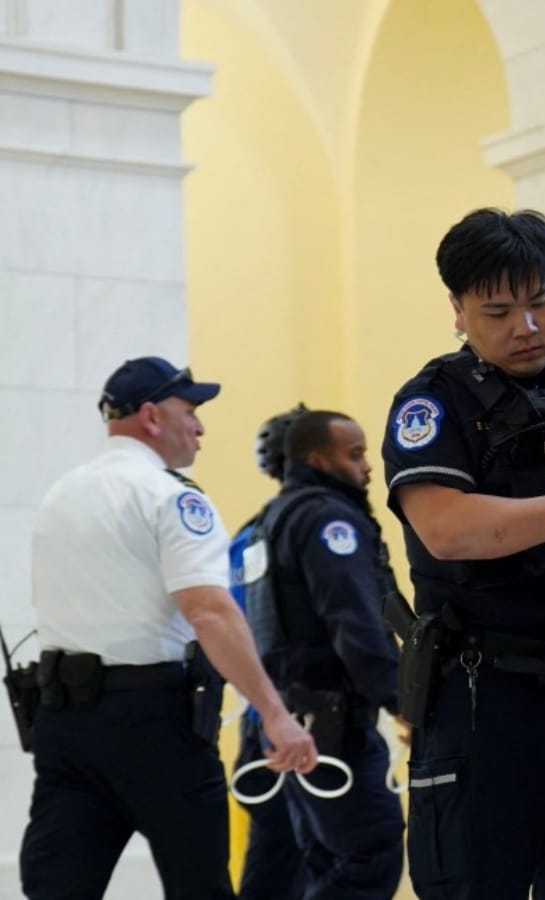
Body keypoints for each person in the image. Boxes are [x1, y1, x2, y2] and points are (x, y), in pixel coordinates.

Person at [382, 208, 545, 899]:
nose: (525, 327)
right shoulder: (432, 404)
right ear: (459, 311)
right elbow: (449, 527)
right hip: (491, 700)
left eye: (541, 302)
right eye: (498, 311)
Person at [20, 356, 316, 898]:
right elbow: (210, 611)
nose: (200, 427)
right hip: (155, 723)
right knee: (198, 886)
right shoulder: (170, 496)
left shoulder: (61, 494)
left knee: (57, 887)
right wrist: (274, 714)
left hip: (63, 723)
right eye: (192, 410)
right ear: (152, 416)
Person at [245, 409, 404, 898]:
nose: (368, 466)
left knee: (312, 860)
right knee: (368, 855)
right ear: (318, 458)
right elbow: (355, 622)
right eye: (354, 454)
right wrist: (404, 703)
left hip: (284, 717)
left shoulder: (263, 523)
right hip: (330, 721)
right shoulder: (328, 519)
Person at [229, 403, 309, 900]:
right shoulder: (304, 529)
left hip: (264, 723)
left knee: (275, 860)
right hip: (297, 727)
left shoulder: (250, 534)